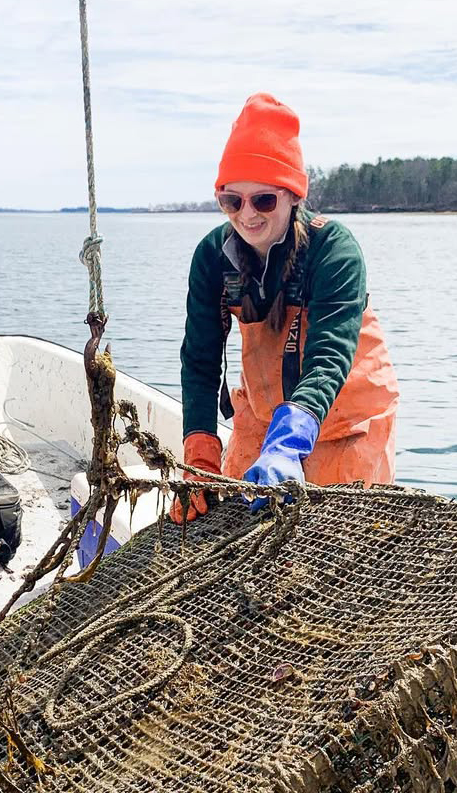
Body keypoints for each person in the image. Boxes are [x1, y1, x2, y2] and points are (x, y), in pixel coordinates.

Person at [171, 92, 399, 523]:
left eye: (264, 200)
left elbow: (330, 355)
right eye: (231, 200)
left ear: (293, 195)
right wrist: (199, 453)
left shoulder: (333, 250)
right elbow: (199, 361)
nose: (247, 215)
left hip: (344, 422)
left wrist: (289, 443)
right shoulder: (212, 257)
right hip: (260, 415)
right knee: (236, 532)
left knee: (339, 546)